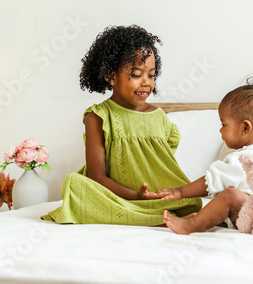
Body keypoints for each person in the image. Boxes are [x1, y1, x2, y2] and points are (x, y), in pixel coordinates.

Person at [41, 25, 202, 225]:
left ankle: (159, 214)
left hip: (155, 199)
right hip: (117, 198)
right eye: (137, 74)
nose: (146, 82)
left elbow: (162, 169)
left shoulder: (159, 117)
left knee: (191, 197)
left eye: (151, 75)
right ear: (111, 75)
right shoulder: (98, 117)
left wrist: (155, 194)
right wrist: (134, 195)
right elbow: (97, 176)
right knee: (73, 184)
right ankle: (159, 220)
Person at [157, 79, 253, 234]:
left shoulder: (244, 158)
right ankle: (203, 218)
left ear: (245, 127)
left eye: (224, 125)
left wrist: (180, 192)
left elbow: (213, 179)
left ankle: (190, 226)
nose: (220, 131)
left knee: (230, 195)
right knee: (228, 197)